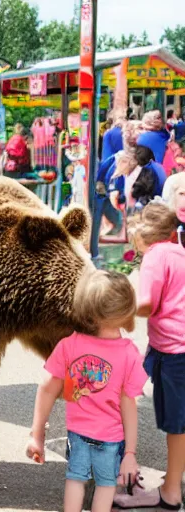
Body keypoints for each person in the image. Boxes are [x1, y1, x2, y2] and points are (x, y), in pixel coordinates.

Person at [25, 270, 146, 512]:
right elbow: (128, 405)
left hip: (77, 434)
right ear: (125, 312)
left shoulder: (69, 345)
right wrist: (130, 452)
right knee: (105, 485)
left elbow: (47, 388)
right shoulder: (129, 354)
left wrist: (37, 434)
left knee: (76, 478)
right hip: (111, 438)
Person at [112, 202, 185, 510]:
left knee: (176, 425)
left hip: (173, 351)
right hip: (169, 347)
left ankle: (170, 492)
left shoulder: (156, 256)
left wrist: (114, 309)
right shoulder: (179, 252)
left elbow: (148, 303)